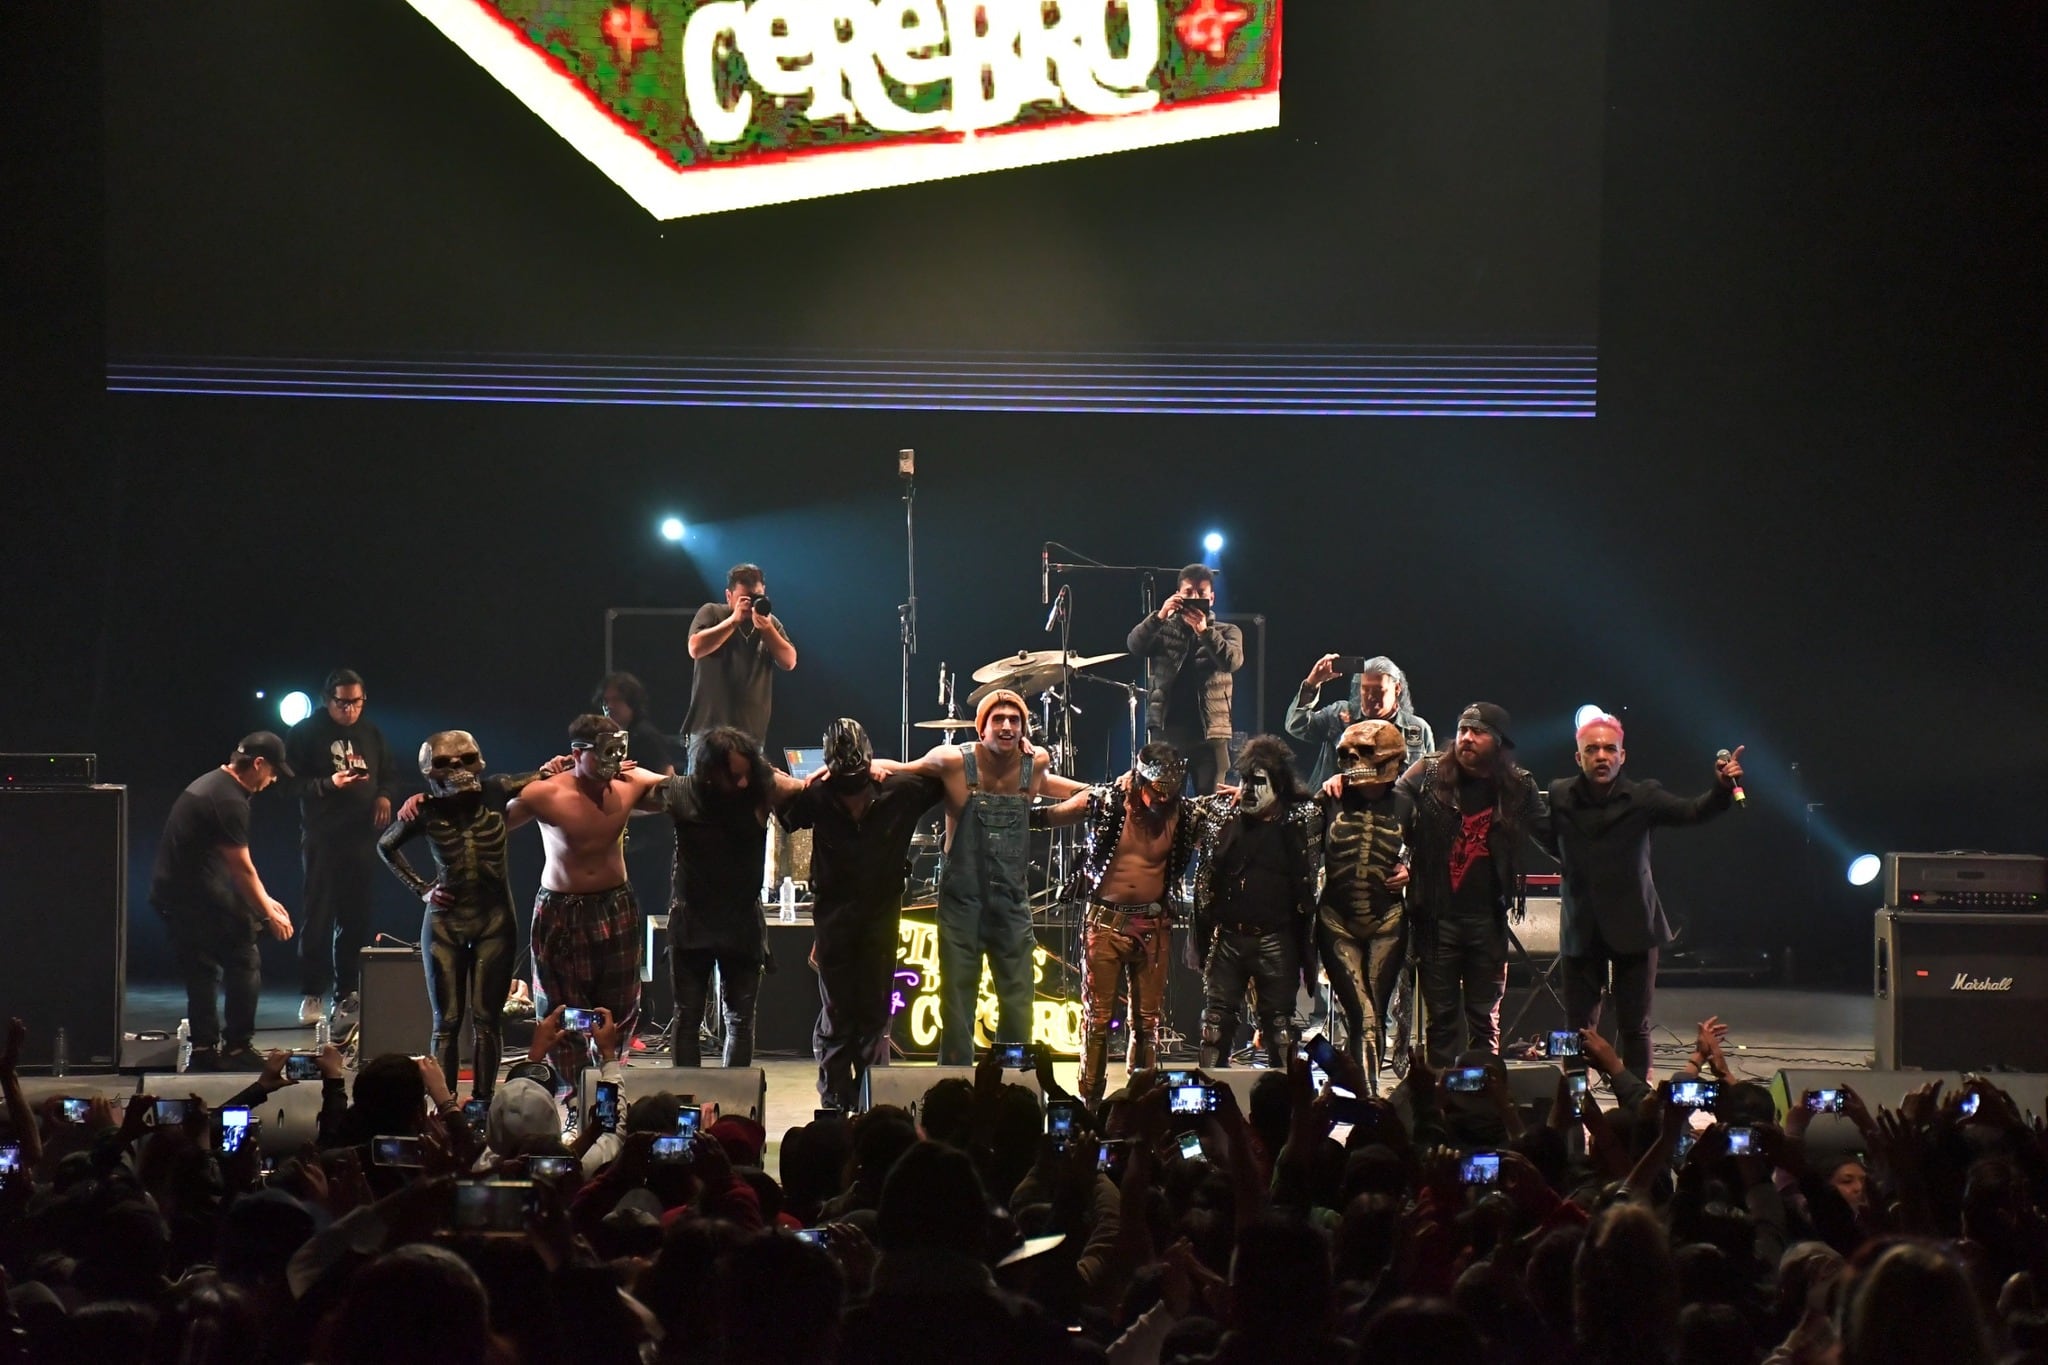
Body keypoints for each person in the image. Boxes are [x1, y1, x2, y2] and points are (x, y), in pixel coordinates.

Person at [881, 688, 1088, 1064]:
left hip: (1011, 901)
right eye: (998, 719)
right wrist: (861, 766)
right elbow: (901, 767)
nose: (1007, 726)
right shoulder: (952, 761)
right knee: (957, 997)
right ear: (982, 729)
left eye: (1015, 720)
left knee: (1018, 995)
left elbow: (1048, 784)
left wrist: (1091, 792)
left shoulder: (1035, 762)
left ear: (1024, 729)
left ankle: (1013, 1084)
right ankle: (955, 1084)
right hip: (962, 902)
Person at [1534, 714, 1744, 1076]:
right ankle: (1573, 1103)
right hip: (1581, 926)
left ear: (1622, 755)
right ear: (1578, 757)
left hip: (1634, 923)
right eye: (1592, 749)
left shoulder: (1643, 796)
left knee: (1635, 1025)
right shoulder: (1560, 793)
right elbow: (1547, 835)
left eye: (1609, 749)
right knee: (1576, 1028)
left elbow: (1691, 810)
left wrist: (1721, 789)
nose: (1601, 756)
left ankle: (1636, 1107)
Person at [376, 731, 559, 1100]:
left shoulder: (496, 789)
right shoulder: (425, 810)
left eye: (466, 759)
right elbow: (386, 845)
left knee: (487, 1021)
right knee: (446, 1022)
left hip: (494, 919)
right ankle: (445, 1105)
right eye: (445, 763)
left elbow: (547, 773)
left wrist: (562, 766)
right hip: (446, 921)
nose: (458, 769)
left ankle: (482, 1102)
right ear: (429, 772)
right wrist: (422, 888)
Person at [775, 718, 947, 1109]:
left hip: (880, 916)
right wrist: (808, 780)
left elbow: (945, 768)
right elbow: (779, 799)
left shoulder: (900, 790)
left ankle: (872, 1098)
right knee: (838, 1012)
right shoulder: (818, 796)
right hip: (835, 916)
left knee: (873, 1012)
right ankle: (836, 1098)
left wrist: (893, 765)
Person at [1039, 742, 1208, 1105]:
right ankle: (1091, 1100)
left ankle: (1139, 1103)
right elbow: (1048, 817)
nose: (1162, 801)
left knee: (1148, 1022)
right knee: (1097, 1019)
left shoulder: (1185, 814)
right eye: (1156, 794)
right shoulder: (1106, 802)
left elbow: (1228, 826)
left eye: (1170, 795)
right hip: (1105, 923)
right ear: (1139, 781)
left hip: (1154, 924)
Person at [506, 714, 668, 1083]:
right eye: (603, 753)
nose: (612, 761)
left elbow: (684, 790)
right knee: (564, 1013)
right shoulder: (546, 793)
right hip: (562, 911)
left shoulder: (627, 784)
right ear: (577, 753)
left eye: (616, 751)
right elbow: (488, 821)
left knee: (621, 1005)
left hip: (615, 907)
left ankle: (609, 1084)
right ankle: (572, 1096)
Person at [1392, 702, 1543, 1065]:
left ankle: (1484, 1099)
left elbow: (1552, 834)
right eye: (1462, 730)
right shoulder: (1428, 773)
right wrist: (1395, 855)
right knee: (1440, 1022)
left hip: (1486, 919)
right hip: (1435, 918)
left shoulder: (1518, 787)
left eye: (1478, 732)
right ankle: (1442, 1105)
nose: (1467, 738)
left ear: (1499, 742)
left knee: (1484, 1022)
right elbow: (1391, 807)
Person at [659, 725, 808, 1067]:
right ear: (710, 773)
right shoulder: (684, 793)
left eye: (746, 774)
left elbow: (801, 789)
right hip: (692, 920)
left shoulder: (758, 791)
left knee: (739, 1021)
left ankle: (735, 1108)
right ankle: (688, 1104)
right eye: (733, 775)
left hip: (740, 921)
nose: (741, 783)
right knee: (687, 1018)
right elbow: (639, 787)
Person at [148, 732, 297, 1069]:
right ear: (258, 764)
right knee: (244, 952)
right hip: (193, 895)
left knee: (201, 968)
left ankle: (203, 1049)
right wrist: (266, 913)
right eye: (273, 772)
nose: (273, 780)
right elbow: (242, 870)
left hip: (174, 892)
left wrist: (266, 900)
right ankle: (237, 1047)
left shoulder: (214, 783)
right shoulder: (229, 800)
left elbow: (232, 866)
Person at [1189, 735, 1321, 1071]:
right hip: (1228, 937)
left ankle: (1283, 1108)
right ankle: (1213, 1105)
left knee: (1280, 1030)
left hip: (1277, 938)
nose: (1247, 789)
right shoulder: (1221, 813)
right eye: (1244, 780)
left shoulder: (1302, 818)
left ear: (1278, 785)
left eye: (1258, 781)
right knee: (1214, 1027)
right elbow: (1176, 810)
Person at [282, 668, 397, 1029]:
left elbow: (391, 774)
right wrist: (327, 783)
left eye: (356, 702)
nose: (349, 710)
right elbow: (287, 785)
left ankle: (346, 991)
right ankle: (312, 991)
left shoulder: (371, 733)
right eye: (342, 702)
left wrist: (383, 795)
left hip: (361, 837)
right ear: (326, 700)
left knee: (356, 917)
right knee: (318, 916)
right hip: (322, 836)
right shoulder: (305, 733)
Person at [1315, 719, 1414, 1092]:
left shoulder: (1408, 804)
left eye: (1364, 753)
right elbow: (1297, 839)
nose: (1352, 761)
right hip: (1336, 920)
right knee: (1364, 1013)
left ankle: (1364, 1095)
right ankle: (1367, 1097)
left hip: (1387, 918)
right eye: (1346, 754)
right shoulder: (1330, 797)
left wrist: (1411, 869)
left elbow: (1431, 856)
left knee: (1375, 1012)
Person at [1126, 563, 1243, 795]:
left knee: (1210, 807)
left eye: (1201, 593)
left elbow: (1232, 662)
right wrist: (1159, 616)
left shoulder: (1227, 630)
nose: (1195, 597)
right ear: (1178, 594)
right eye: (1188, 592)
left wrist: (1205, 632)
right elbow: (1134, 645)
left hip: (1210, 736)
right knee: (1163, 805)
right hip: (1168, 732)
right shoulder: (1163, 629)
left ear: (1212, 598)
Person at [683, 562, 796, 745]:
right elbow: (695, 648)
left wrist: (767, 630)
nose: (751, 603)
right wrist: (734, 621)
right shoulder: (712, 612)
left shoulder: (770, 623)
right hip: (709, 731)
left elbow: (789, 661)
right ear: (729, 596)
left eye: (757, 596)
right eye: (745, 598)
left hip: (751, 733)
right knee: (704, 775)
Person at [1285, 653, 1436, 789]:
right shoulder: (1339, 716)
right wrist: (1312, 682)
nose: (1370, 697)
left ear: (1397, 688)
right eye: (1365, 689)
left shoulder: (1418, 729)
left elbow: (1431, 780)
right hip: (1339, 810)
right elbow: (1296, 725)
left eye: (1378, 690)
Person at [593, 671, 675, 775]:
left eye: (616, 699)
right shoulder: (605, 736)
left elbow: (667, 773)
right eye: (606, 701)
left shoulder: (646, 736)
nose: (609, 706)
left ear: (632, 702)